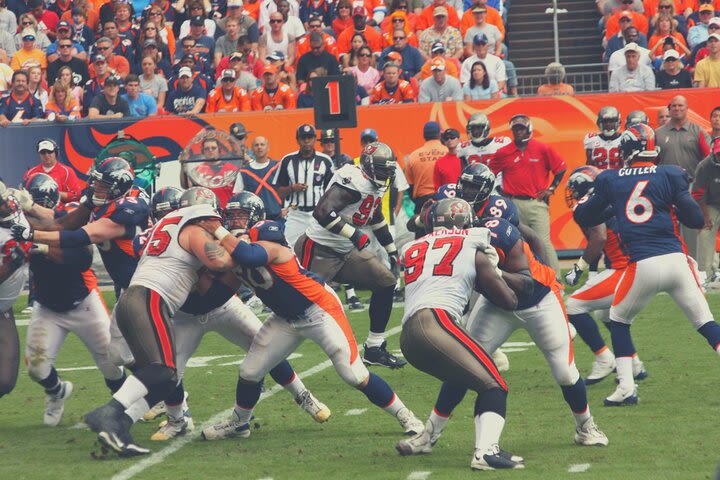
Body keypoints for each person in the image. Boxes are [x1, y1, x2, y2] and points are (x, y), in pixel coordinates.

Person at [198, 199, 423, 442]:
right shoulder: (233, 251)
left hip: (318, 309)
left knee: (354, 375)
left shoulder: (270, 241)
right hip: (285, 318)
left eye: (242, 216)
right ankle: (239, 423)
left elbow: (250, 255)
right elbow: (221, 282)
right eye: (231, 217)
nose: (235, 223)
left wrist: (216, 230)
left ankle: (405, 415)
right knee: (250, 371)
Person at [136, 191, 328, 441]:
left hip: (225, 306)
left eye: (200, 216)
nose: (194, 220)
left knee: (265, 347)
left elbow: (228, 271)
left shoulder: (224, 235)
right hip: (187, 314)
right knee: (170, 368)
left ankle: (303, 396)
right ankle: (177, 420)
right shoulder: (177, 236)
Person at [81, 188, 239, 456]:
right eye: (213, 221)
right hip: (150, 299)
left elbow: (198, 281)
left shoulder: (168, 226)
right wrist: (232, 241)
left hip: (133, 299)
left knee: (168, 380)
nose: (216, 226)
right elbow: (221, 261)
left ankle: (118, 427)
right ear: (203, 215)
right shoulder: (193, 230)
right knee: (163, 370)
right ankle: (110, 412)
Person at [574, 123, 720, 406]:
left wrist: (592, 204)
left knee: (618, 320)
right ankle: (627, 387)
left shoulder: (611, 179)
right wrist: (673, 202)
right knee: (705, 323)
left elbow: (588, 215)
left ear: (626, 150)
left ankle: (627, 387)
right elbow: (694, 220)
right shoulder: (670, 174)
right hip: (677, 261)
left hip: (642, 264)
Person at [395, 198, 524, 470]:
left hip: (408, 336)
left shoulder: (412, 247)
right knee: (494, 385)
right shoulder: (473, 242)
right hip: (437, 322)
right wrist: (496, 272)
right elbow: (508, 301)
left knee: (465, 378)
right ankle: (486, 452)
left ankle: (427, 437)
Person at [14, 158, 151, 378]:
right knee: (118, 354)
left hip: (145, 286)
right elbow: (61, 221)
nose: (95, 187)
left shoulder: (128, 209)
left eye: (103, 184)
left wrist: (32, 237)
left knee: (156, 353)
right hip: (128, 287)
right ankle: (159, 393)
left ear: (119, 186)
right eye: (96, 181)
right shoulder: (103, 203)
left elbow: (79, 237)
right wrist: (29, 206)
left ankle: (173, 401)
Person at [20, 179, 124, 427]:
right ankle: (57, 393)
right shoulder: (19, 224)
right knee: (36, 368)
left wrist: (42, 247)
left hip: (83, 302)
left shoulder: (70, 218)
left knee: (111, 362)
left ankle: (123, 404)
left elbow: (81, 258)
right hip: (47, 306)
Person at [296, 142, 406, 369]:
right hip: (318, 249)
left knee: (385, 282)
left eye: (389, 170)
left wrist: (392, 251)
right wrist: (354, 235)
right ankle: (268, 361)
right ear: (368, 166)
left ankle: (374, 348)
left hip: (345, 251)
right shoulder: (352, 180)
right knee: (297, 309)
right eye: (383, 169)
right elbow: (322, 212)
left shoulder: (374, 185)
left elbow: (374, 215)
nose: (387, 175)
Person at [563, 166, 647, 386]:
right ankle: (634, 363)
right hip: (635, 264)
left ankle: (604, 357)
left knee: (572, 306)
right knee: (606, 314)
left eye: (575, 188)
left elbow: (599, 238)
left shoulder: (592, 204)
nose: (572, 193)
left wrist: (579, 268)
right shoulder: (616, 197)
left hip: (624, 269)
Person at [489, 114, 565, 274]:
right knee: (516, 242)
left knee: (543, 241)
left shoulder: (542, 148)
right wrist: (499, 191)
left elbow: (560, 168)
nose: (518, 132)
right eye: (515, 129)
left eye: (521, 128)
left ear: (529, 129)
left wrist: (551, 188)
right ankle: (525, 276)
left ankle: (555, 279)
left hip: (536, 202)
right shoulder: (504, 152)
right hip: (513, 203)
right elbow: (490, 173)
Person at [656, 95, 712, 258]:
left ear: (687, 108)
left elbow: (710, 158)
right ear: (669, 109)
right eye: (673, 106)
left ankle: (694, 264)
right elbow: (651, 161)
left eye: (680, 106)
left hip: (690, 185)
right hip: (665, 187)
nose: (677, 109)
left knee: (691, 229)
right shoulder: (658, 134)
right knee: (666, 226)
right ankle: (670, 263)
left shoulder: (697, 131)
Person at [274, 124, 334, 248]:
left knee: (322, 250)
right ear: (298, 140)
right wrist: (292, 188)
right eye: (303, 138)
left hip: (318, 215)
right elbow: (278, 191)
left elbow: (332, 191)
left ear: (315, 139)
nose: (306, 141)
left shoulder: (325, 160)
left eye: (309, 137)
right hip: (296, 214)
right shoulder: (287, 160)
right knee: (289, 249)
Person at [0, 190, 32, 400]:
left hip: (3, 308)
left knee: (5, 380)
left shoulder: (15, 216)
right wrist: (11, 265)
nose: (7, 205)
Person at [232, 137, 283, 221]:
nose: (259, 147)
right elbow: (237, 197)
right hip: (254, 220)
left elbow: (288, 189)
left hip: (277, 218)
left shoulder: (278, 167)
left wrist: (288, 208)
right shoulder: (244, 172)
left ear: (268, 147)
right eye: (256, 145)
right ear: (252, 149)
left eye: (262, 144)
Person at [693, 138, 720, 282]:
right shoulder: (704, 166)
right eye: (718, 154)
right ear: (712, 152)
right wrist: (704, 216)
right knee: (705, 233)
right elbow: (698, 193)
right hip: (710, 204)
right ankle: (706, 275)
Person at [23, 139, 82, 204]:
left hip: (60, 211)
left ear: (55, 153)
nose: (46, 155)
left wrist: (53, 194)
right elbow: (23, 195)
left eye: (49, 151)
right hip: (36, 211)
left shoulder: (67, 171)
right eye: (43, 152)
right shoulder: (31, 173)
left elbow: (77, 195)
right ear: (39, 154)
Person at [405, 121, 446, 213]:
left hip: (422, 203)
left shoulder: (413, 156)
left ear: (424, 136)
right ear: (439, 134)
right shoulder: (448, 152)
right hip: (445, 202)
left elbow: (409, 186)